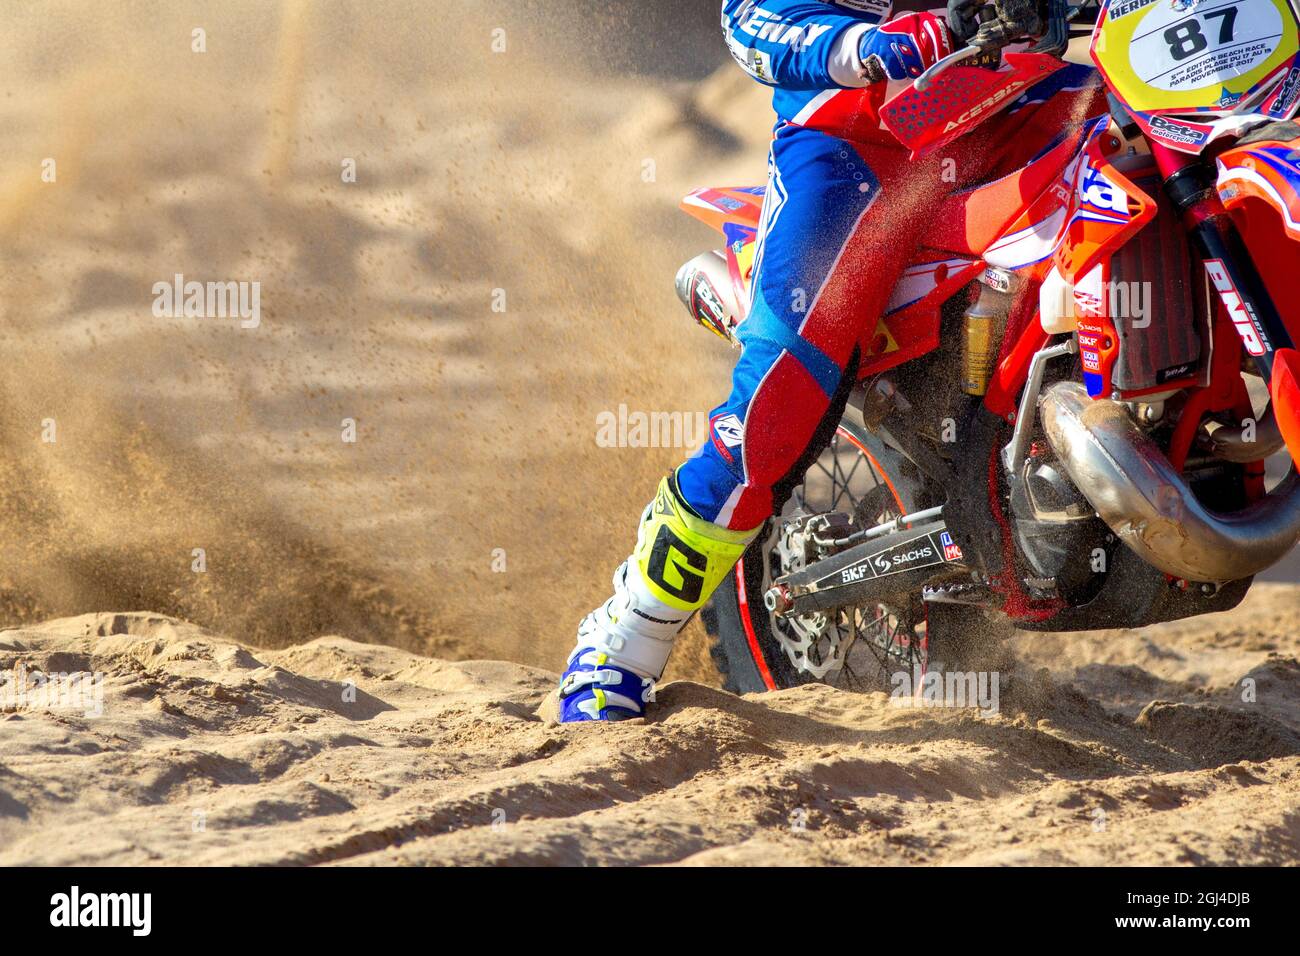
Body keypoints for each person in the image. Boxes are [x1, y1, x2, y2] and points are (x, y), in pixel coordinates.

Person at [558, 0, 1100, 721]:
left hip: (1022, 100)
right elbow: (753, 20)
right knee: (775, 405)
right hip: (859, 140)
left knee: (1181, 145)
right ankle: (625, 636)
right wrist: (881, 42)